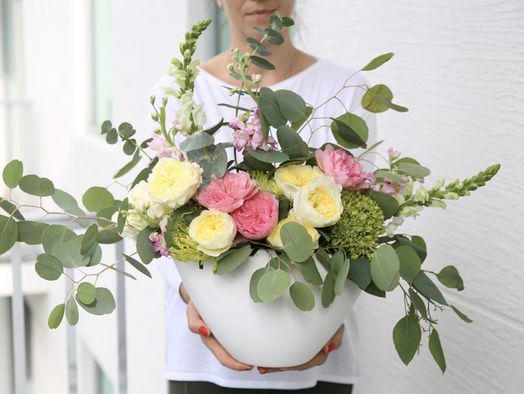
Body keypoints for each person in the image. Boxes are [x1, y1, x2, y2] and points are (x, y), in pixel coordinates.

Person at [148, 1, 377, 392]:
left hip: (318, 356)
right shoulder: (183, 93)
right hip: (203, 366)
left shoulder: (347, 91)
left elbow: (364, 222)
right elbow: (158, 223)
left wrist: (328, 313)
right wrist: (197, 299)